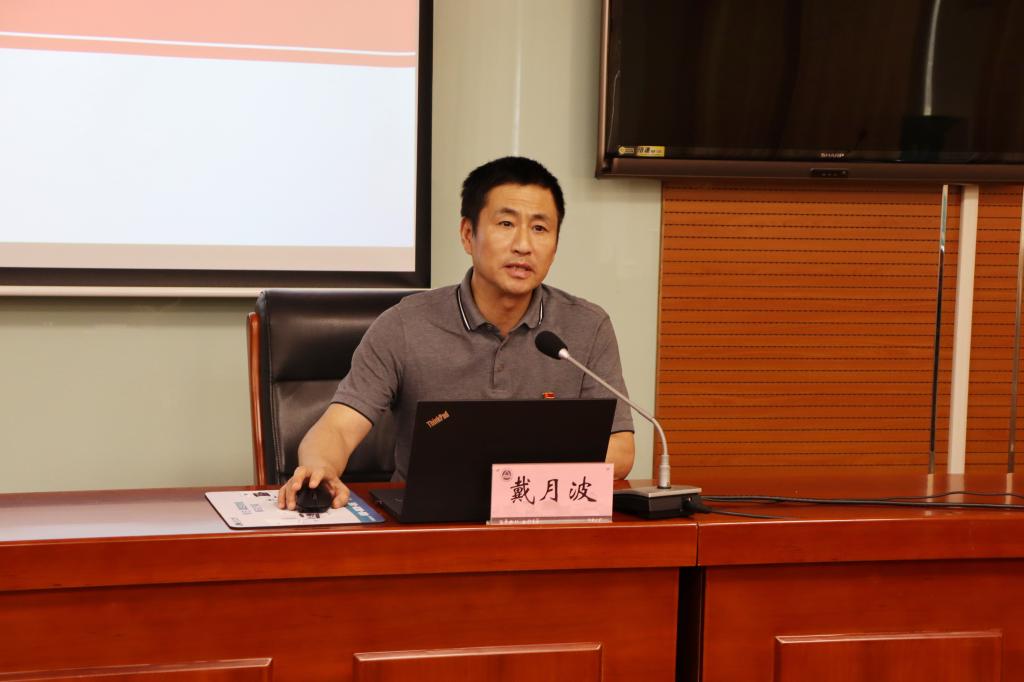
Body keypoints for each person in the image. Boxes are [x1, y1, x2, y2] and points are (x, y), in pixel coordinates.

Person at [278, 156, 635, 510]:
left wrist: (512, 471)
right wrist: (320, 467)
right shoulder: (403, 325)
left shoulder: (587, 327)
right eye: (506, 223)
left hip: (543, 518)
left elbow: (620, 449)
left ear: (555, 246)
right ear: (467, 234)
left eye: (540, 229)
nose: (523, 245)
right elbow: (338, 427)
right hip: (429, 521)